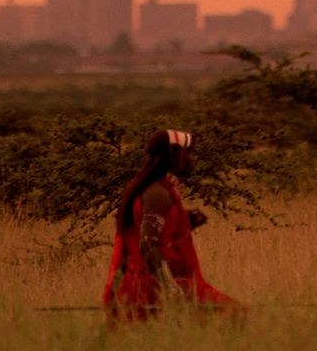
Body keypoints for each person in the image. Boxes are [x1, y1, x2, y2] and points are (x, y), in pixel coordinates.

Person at [102, 129, 242, 326]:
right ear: (176, 155)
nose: (191, 159)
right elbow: (147, 245)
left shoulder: (156, 188)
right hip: (151, 287)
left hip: (142, 283)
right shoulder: (158, 192)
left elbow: (158, 234)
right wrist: (172, 290)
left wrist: (186, 221)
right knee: (234, 315)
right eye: (188, 152)